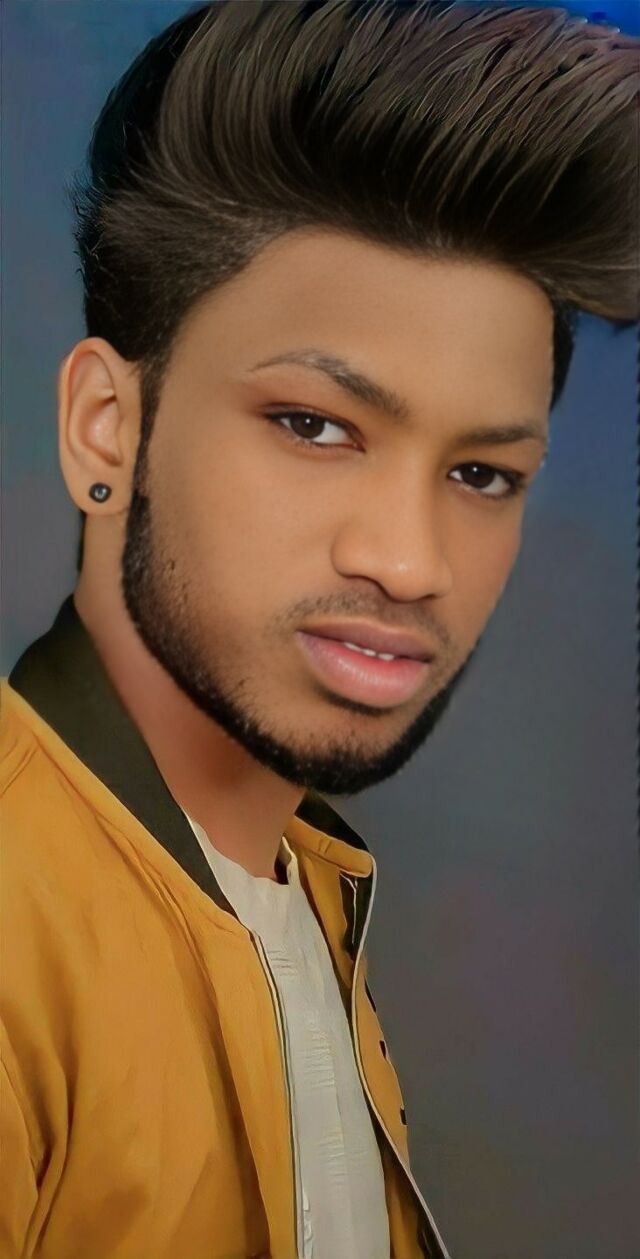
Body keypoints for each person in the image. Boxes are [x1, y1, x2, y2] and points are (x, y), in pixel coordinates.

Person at [1, 1, 636, 1256]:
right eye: (312, 425)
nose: (407, 562)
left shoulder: (301, 894)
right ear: (105, 428)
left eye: (481, 473)